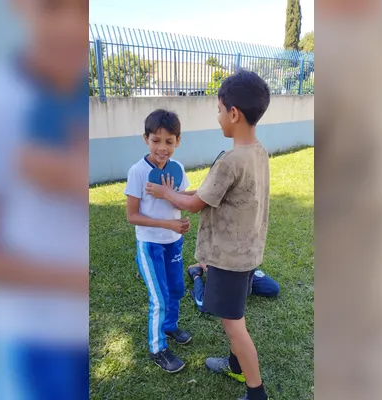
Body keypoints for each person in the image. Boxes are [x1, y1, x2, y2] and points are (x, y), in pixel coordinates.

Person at [0, 0, 89, 398]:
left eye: (85, 8)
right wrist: (73, 279)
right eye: (53, 7)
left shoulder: (85, 97)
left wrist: (72, 177)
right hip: (31, 343)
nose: (72, 26)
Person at [146, 70, 272, 400]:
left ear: (233, 113)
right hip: (246, 255)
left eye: (218, 110)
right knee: (234, 315)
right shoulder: (258, 152)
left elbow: (195, 203)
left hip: (229, 260)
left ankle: (256, 392)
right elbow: (208, 192)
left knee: (234, 325)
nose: (218, 117)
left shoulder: (231, 160)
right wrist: (183, 191)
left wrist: (165, 194)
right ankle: (234, 364)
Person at [125, 109, 194, 373]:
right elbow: (132, 217)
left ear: (178, 141)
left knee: (176, 289)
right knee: (159, 298)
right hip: (150, 245)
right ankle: (158, 348)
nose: (162, 148)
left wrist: (204, 193)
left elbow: (183, 196)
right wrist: (168, 223)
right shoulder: (138, 171)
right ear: (146, 139)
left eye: (169, 141)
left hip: (174, 241)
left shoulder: (178, 169)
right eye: (156, 140)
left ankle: (170, 327)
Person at [187, 263, 280, 313]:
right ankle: (196, 274)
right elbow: (203, 256)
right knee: (206, 306)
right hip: (221, 270)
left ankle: (240, 284)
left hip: (243, 267)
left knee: (272, 289)